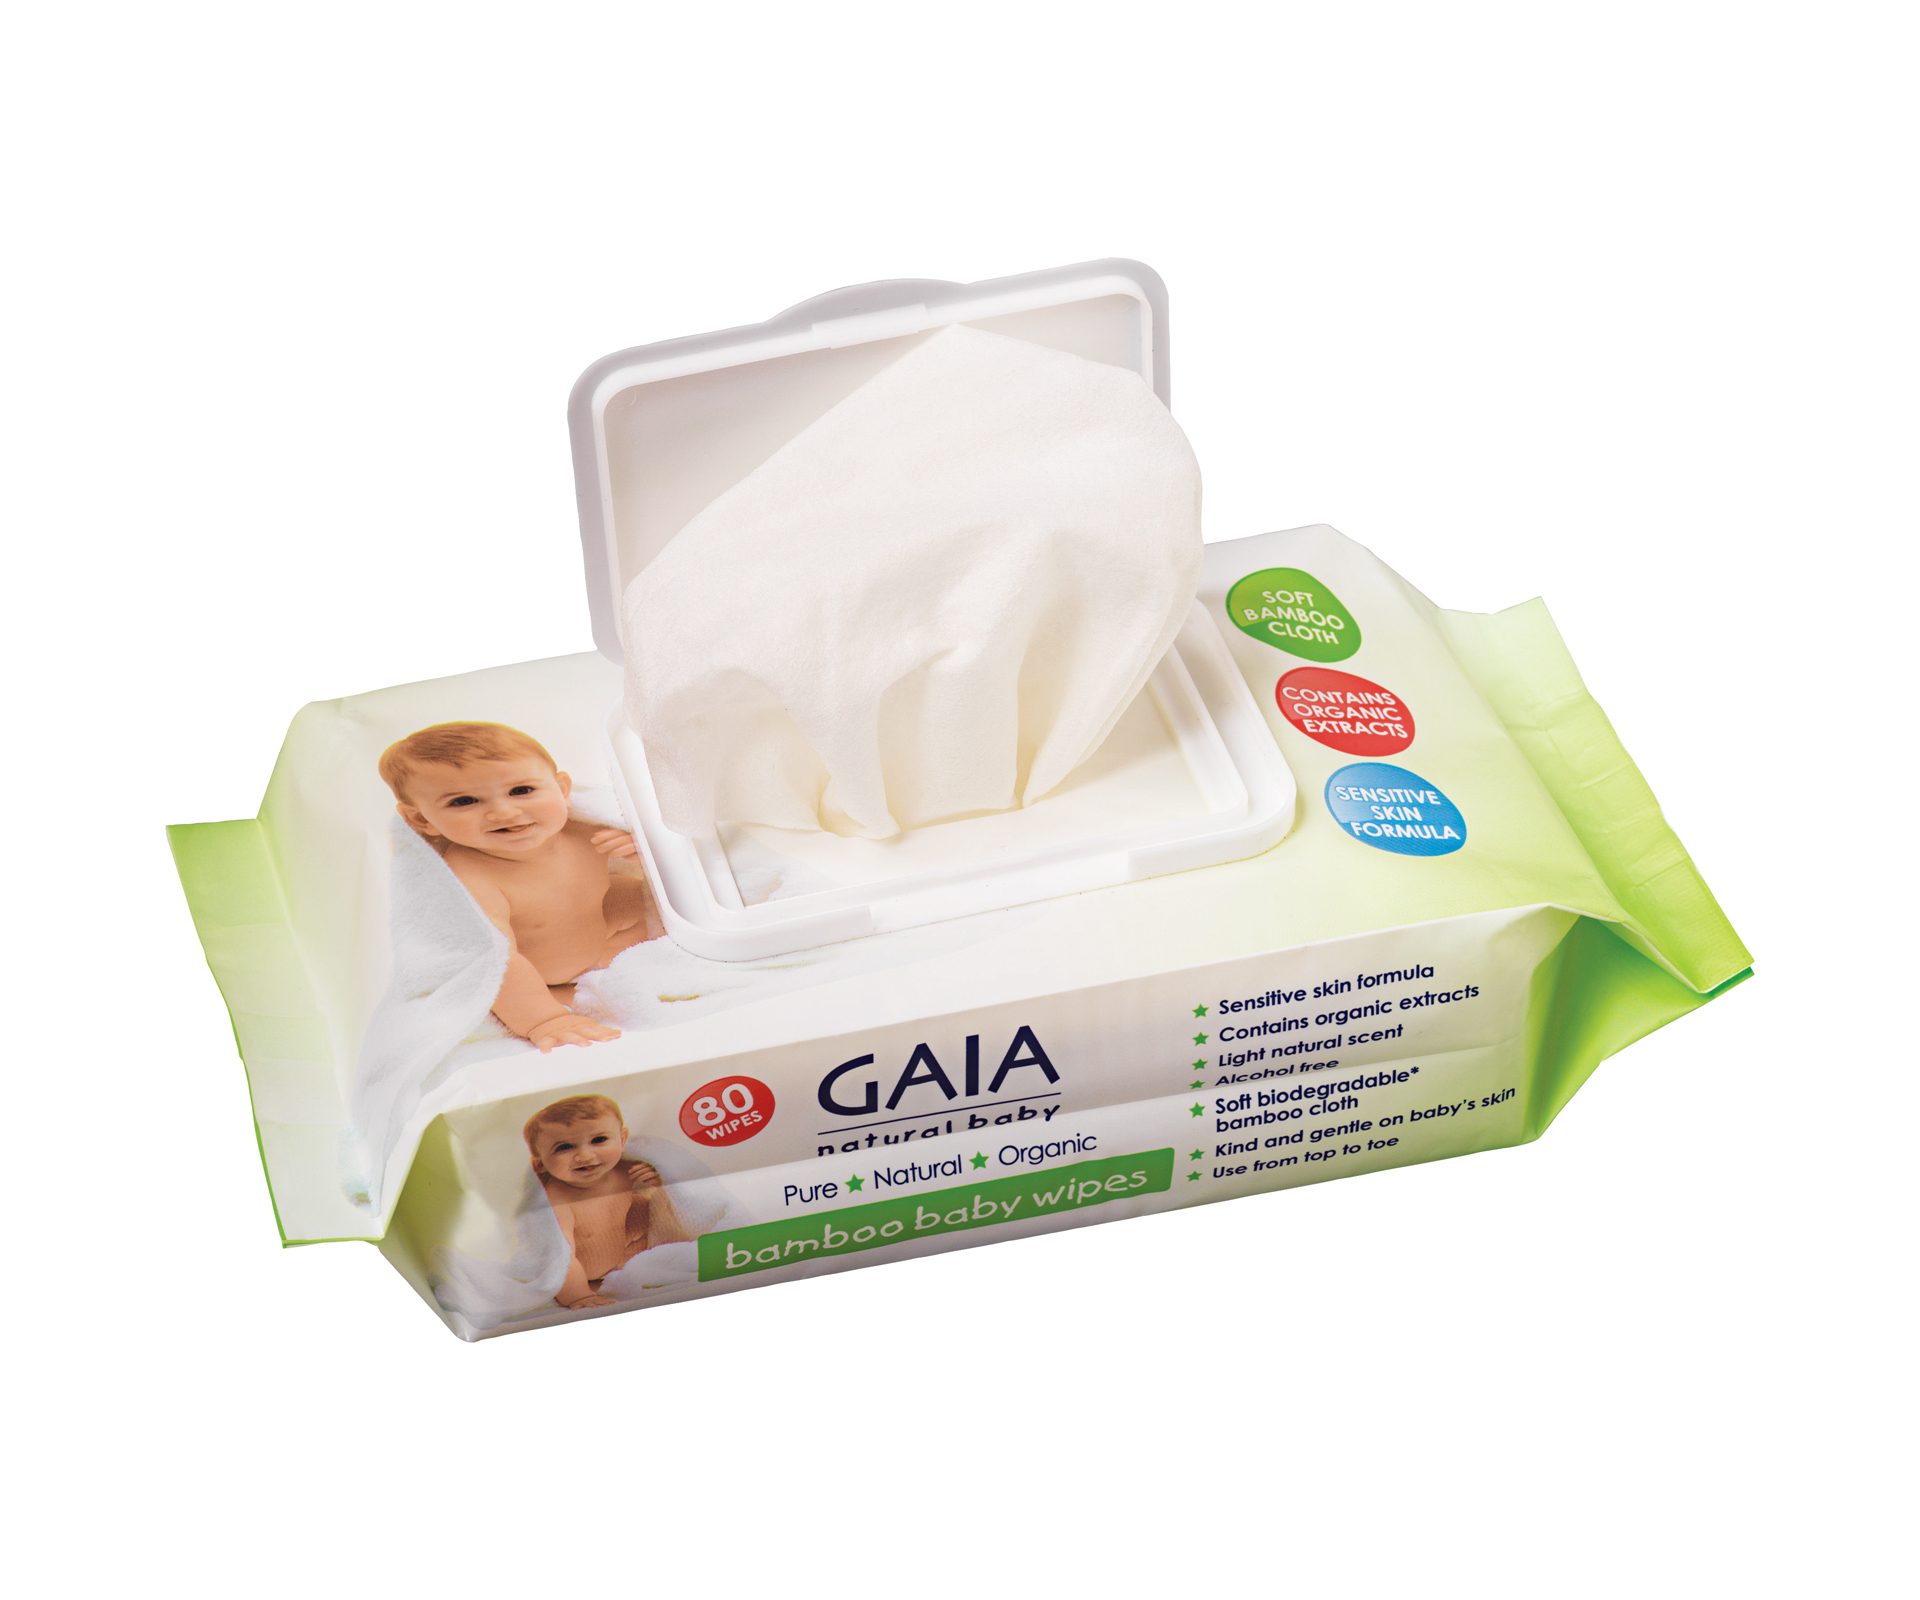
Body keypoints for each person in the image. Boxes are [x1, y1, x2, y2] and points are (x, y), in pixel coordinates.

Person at [377, 721, 661, 1050]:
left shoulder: (587, 831)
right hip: (536, 977)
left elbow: (664, 858)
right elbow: (493, 958)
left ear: (562, 789)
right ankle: (548, 1002)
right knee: (494, 953)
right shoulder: (471, 877)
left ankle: (629, 968)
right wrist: (545, 1020)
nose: (504, 812)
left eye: (521, 791)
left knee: (633, 893)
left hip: (603, 940)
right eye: (464, 801)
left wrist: (640, 849)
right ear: (421, 820)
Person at [523, 1095, 692, 1309]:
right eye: (564, 1147)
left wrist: (659, 1178)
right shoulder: (557, 1200)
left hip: (628, 1259)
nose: (585, 1155)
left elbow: (678, 1192)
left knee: (646, 1203)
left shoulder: (626, 1170)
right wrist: (579, 1296)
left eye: (598, 1140)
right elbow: (559, 1255)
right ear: (540, 1164)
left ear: (622, 1139)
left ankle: (656, 1263)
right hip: (584, 1272)